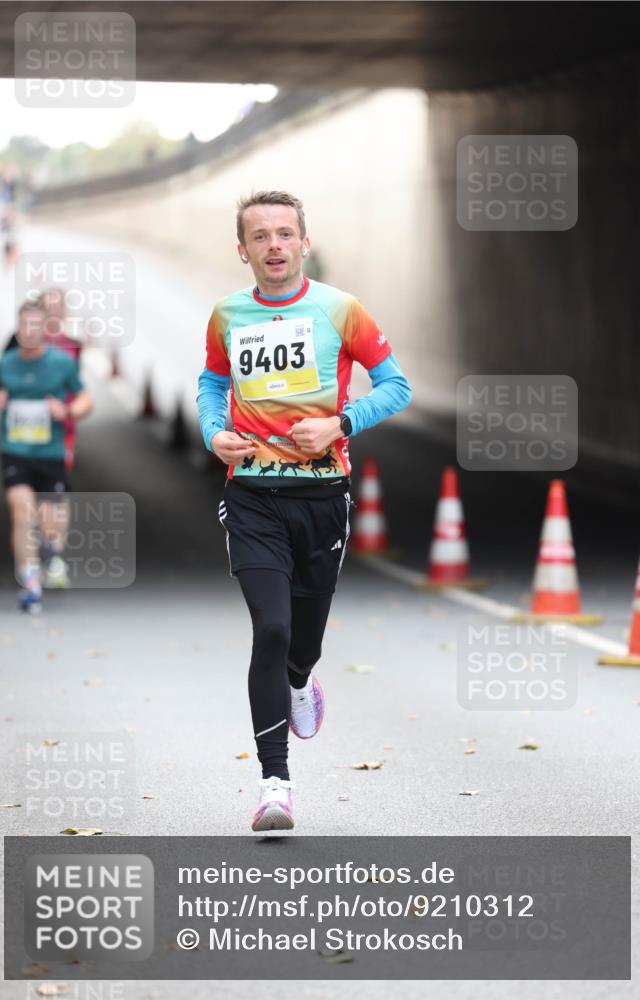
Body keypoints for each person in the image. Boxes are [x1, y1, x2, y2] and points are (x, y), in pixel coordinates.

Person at [197, 190, 412, 832]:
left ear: (304, 243)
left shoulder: (340, 309)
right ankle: (275, 784)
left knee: (303, 640)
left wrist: (340, 424)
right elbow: (212, 382)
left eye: (284, 233)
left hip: (321, 497)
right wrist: (213, 432)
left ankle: (299, 680)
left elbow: (396, 386)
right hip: (252, 495)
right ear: (243, 250)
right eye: (260, 236)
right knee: (271, 627)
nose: (274, 245)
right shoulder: (227, 314)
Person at [0, 301, 93, 612]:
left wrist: (68, 410)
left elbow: (86, 398)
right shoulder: (7, 363)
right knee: (21, 511)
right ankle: (30, 582)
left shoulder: (61, 363)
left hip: (50, 454)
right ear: (17, 327)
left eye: (35, 325)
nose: (29, 331)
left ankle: (48, 551)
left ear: (45, 328)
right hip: (15, 452)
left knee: (49, 524)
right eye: (24, 325)